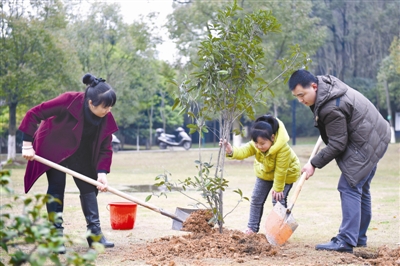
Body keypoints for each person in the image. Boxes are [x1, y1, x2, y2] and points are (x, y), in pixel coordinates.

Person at [288, 69, 390, 253]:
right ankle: (358, 237)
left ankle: (345, 240)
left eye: (302, 95)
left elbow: (337, 144)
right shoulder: (328, 88)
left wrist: (313, 163)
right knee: (360, 188)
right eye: (297, 97)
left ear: (314, 86)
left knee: (349, 186)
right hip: (376, 137)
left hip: (366, 143)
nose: (301, 100)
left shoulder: (330, 107)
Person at [19, 73, 118, 252]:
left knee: (89, 187)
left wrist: (102, 173)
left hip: (81, 152)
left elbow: (105, 147)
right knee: (57, 187)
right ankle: (56, 236)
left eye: (110, 107)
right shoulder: (68, 100)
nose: (108, 111)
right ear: (90, 103)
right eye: (105, 107)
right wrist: (27, 145)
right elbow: (34, 113)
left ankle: (95, 235)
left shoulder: (106, 117)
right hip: (54, 147)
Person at [219, 115, 300, 234]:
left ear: (272, 138)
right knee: (256, 198)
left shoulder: (283, 148)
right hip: (266, 172)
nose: (259, 146)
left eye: (262, 143)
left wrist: (278, 189)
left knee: (277, 199)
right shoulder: (256, 145)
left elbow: (281, 170)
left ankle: (281, 230)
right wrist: (231, 151)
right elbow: (244, 151)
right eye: (256, 143)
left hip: (287, 174)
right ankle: (252, 228)